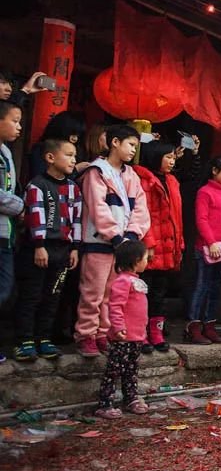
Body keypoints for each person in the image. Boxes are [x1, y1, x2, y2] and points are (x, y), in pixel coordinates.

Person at [75, 124, 150, 358]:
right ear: (115, 142)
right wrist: (116, 236)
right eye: (130, 145)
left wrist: (130, 235)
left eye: (135, 147)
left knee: (112, 292)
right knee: (93, 291)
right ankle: (86, 334)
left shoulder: (131, 175)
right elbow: (98, 208)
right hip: (99, 241)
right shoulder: (96, 172)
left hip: (123, 244)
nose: (132, 151)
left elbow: (141, 208)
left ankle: (103, 333)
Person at [13, 138, 81, 361]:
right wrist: (39, 245)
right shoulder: (37, 185)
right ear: (50, 158)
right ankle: (24, 340)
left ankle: (44, 338)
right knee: (32, 294)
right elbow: (35, 218)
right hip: (39, 249)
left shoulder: (73, 188)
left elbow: (76, 220)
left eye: (74, 156)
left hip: (63, 249)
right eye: (68, 155)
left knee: (53, 295)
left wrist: (75, 247)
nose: (74, 160)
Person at [134, 140, 184, 354]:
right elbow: (145, 215)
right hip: (151, 245)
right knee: (143, 291)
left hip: (170, 244)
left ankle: (156, 332)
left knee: (160, 293)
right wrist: (148, 243)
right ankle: (140, 333)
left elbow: (177, 215)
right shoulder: (143, 179)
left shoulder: (172, 181)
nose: (172, 161)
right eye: (168, 157)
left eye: (173, 157)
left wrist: (179, 241)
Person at [95, 240, 150, 419]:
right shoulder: (122, 282)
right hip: (122, 337)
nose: (147, 262)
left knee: (131, 369)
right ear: (135, 260)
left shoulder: (136, 281)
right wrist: (118, 327)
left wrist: (143, 331)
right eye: (145, 258)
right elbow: (116, 306)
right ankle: (105, 402)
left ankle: (131, 397)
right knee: (114, 370)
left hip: (136, 336)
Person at [187, 157, 221, 345]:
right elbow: (202, 220)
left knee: (216, 289)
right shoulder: (205, 192)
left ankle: (209, 325)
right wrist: (211, 242)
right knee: (202, 287)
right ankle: (194, 326)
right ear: (215, 171)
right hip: (206, 249)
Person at [0, 101, 24, 361]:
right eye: (14, 120)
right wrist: (20, 206)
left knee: (6, 288)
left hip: (6, 232)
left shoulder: (6, 152)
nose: (19, 127)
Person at [27, 111, 86, 181]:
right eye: (72, 134)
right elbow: (40, 179)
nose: (75, 139)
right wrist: (75, 170)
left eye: (78, 135)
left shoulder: (77, 149)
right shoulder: (41, 149)